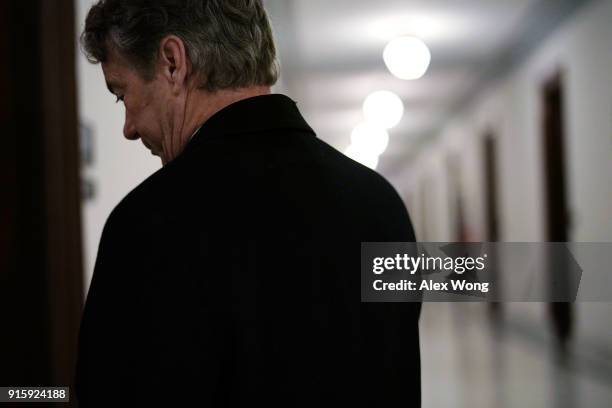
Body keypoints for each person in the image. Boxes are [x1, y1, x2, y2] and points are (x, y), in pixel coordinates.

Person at [75, 0, 421, 406]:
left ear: (173, 62)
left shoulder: (145, 225)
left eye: (122, 94)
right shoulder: (382, 205)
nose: (129, 128)